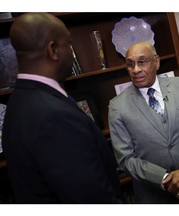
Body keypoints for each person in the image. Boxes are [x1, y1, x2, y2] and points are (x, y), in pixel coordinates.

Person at [2, 13, 124, 204]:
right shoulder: (55, 116)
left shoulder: (18, 101)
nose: (72, 51)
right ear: (53, 50)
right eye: (69, 43)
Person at [108, 41, 179, 204]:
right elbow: (126, 159)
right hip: (156, 198)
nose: (136, 69)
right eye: (130, 64)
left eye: (142, 61)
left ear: (156, 62)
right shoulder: (117, 106)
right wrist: (166, 179)